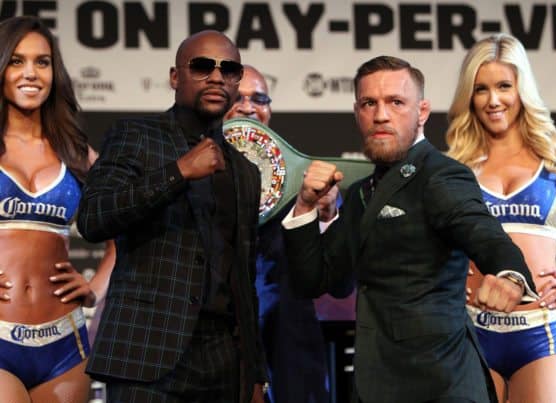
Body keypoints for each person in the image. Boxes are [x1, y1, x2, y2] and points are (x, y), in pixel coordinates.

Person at [281, 55, 538, 403]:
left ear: (422, 111)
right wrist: (307, 208)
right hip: (375, 384)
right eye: (369, 103)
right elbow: (320, 281)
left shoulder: (441, 175)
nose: (381, 114)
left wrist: (510, 276)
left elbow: (482, 231)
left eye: (396, 102)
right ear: (357, 112)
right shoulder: (360, 194)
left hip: (440, 384)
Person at [77, 30, 268, 403]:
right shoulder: (136, 136)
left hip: (223, 359)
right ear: (175, 77)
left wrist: (255, 371)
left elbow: (243, 278)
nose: (216, 77)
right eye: (202, 66)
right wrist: (178, 172)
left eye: (228, 69)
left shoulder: (246, 171)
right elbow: (94, 218)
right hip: (146, 353)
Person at [446, 33, 556, 403]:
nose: (493, 100)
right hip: (471, 331)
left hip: (539, 335)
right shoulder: (454, 167)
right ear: (469, 95)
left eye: (504, 86)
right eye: (481, 89)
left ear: (522, 89)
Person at [0, 16, 115, 403]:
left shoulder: (76, 153)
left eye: (42, 62)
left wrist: (96, 288)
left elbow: (128, 228)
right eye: (16, 61)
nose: (30, 73)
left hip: (65, 344)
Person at [225, 65, 334, 403]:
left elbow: (336, 277)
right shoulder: (192, 172)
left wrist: (325, 213)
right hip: (218, 347)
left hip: (290, 347)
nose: (248, 107)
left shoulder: (305, 178)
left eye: (259, 99)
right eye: (237, 98)